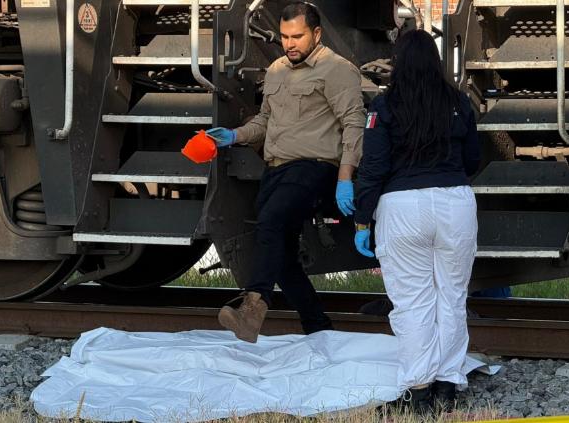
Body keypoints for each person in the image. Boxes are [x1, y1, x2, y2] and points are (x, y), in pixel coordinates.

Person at [206, 2, 365, 343]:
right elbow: (265, 121)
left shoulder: (337, 70)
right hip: (277, 169)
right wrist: (236, 135)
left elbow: (354, 123)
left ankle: (253, 306)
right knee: (280, 253)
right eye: (285, 36)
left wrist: (345, 177)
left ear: (316, 34)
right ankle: (318, 327)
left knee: (272, 222)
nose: (290, 43)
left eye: (298, 36)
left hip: (315, 168)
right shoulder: (276, 69)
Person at [354, 30, 480, 414]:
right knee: (452, 297)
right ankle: (448, 386)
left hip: (402, 206)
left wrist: (362, 220)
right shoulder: (459, 102)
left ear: (398, 62)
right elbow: (473, 160)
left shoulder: (384, 105)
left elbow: (373, 166)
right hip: (455, 202)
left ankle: (418, 390)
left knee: (412, 303)